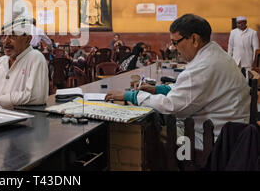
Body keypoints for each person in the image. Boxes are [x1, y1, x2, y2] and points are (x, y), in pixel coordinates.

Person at [105, 14, 250, 149]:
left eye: (175, 42)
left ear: (194, 39)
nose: (174, 48)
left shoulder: (203, 66)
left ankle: (167, 164)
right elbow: (192, 90)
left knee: (150, 135)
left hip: (211, 142)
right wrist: (160, 89)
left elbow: (172, 107)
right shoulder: (215, 53)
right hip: (231, 133)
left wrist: (132, 95)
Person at [0, 0, 49, 110]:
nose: (6, 41)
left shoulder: (35, 58)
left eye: (13, 36)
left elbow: (36, 96)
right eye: (4, 35)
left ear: (27, 39)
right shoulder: (2, 61)